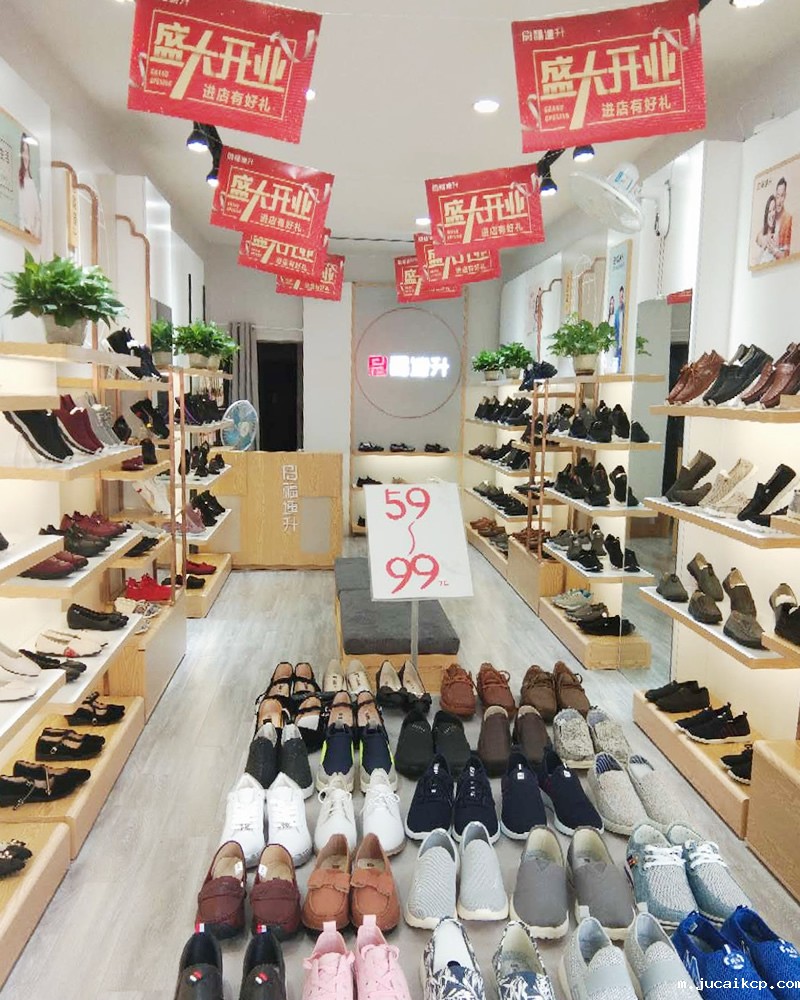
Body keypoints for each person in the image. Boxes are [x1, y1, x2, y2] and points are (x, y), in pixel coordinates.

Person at [18, 135, 41, 241]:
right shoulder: (18, 181)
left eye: (27, 152)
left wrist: (34, 232)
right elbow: (19, 213)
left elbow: (38, 215)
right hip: (24, 234)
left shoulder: (31, 183)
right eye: (23, 152)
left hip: (32, 236)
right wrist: (25, 230)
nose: (26, 156)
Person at [756, 194, 777, 264]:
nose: (772, 214)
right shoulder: (760, 236)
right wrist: (763, 248)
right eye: (769, 211)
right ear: (766, 214)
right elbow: (755, 262)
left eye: (774, 209)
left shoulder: (777, 236)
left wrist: (775, 252)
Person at [774, 176, 792, 259]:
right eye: (777, 196)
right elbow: (759, 237)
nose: (779, 201)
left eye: (782, 196)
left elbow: (786, 254)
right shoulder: (771, 214)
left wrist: (774, 251)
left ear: (785, 196)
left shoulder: (787, 218)